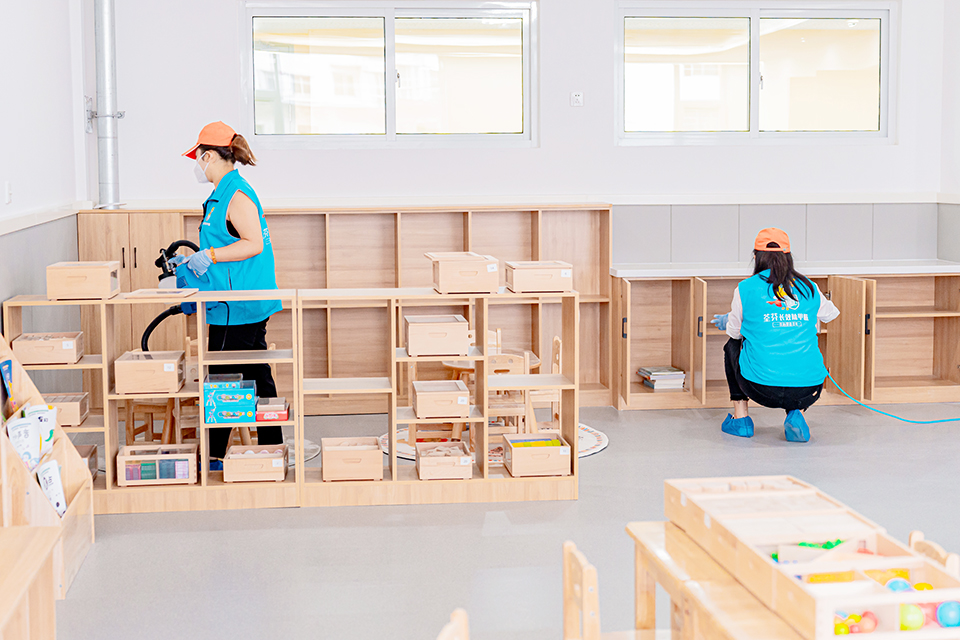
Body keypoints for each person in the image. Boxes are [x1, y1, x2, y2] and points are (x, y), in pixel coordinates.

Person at [175, 121, 283, 468]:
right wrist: (195, 259)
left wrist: (209, 255)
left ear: (208, 155)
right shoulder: (222, 193)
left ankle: (215, 457)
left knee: (223, 381)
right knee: (255, 376)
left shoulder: (235, 194)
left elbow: (253, 243)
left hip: (239, 305)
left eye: (198, 157)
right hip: (231, 303)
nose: (197, 165)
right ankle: (272, 451)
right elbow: (225, 242)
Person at [711, 228, 839, 443]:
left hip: (760, 388)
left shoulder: (745, 288)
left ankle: (741, 419)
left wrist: (733, 320)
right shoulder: (809, 287)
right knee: (801, 357)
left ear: (756, 257)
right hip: (809, 388)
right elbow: (831, 314)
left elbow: (734, 332)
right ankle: (796, 413)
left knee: (732, 345)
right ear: (788, 256)